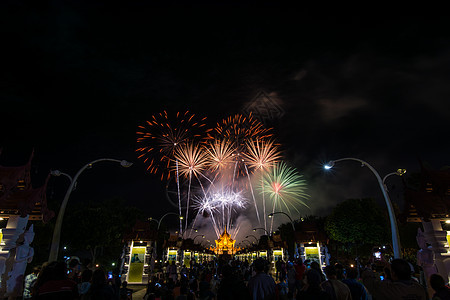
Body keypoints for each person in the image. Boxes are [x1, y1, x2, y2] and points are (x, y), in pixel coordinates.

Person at [362, 258, 428, 300]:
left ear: (393, 273)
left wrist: (368, 266)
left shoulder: (390, 290)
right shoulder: (420, 289)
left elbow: (370, 282)